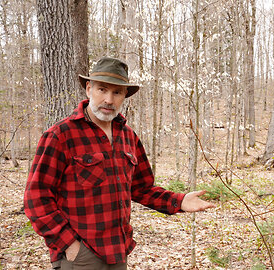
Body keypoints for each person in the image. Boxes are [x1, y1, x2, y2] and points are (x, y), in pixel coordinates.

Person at [24, 57, 215, 269]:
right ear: (89, 89)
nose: (109, 99)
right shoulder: (60, 136)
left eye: (117, 92)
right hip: (80, 256)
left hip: (118, 252)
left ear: (124, 96)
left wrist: (179, 202)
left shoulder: (128, 136)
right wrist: (69, 244)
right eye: (102, 90)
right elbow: (36, 198)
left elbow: (141, 188)